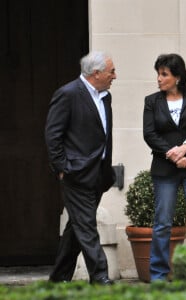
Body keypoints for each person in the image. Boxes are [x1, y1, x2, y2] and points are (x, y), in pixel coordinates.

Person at [45, 51, 117, 285]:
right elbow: (53, 135)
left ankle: (58, 277)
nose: (114, 76)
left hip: (99, 174)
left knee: (76, 226)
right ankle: (100, 277)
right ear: (96, 73)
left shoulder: (105, 96)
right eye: (111, 71)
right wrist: (62, 167)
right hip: (76, 174)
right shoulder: (67, 94)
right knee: (86, 225)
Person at [143, 53, 186, 281]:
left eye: (164, 74)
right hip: (165, 169)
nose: (159, 79)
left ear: (178, 77)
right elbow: (149, 134)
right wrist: (174, 156)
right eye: (158, 74)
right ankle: (159, 276)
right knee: (163, 222)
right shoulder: (151, 101)